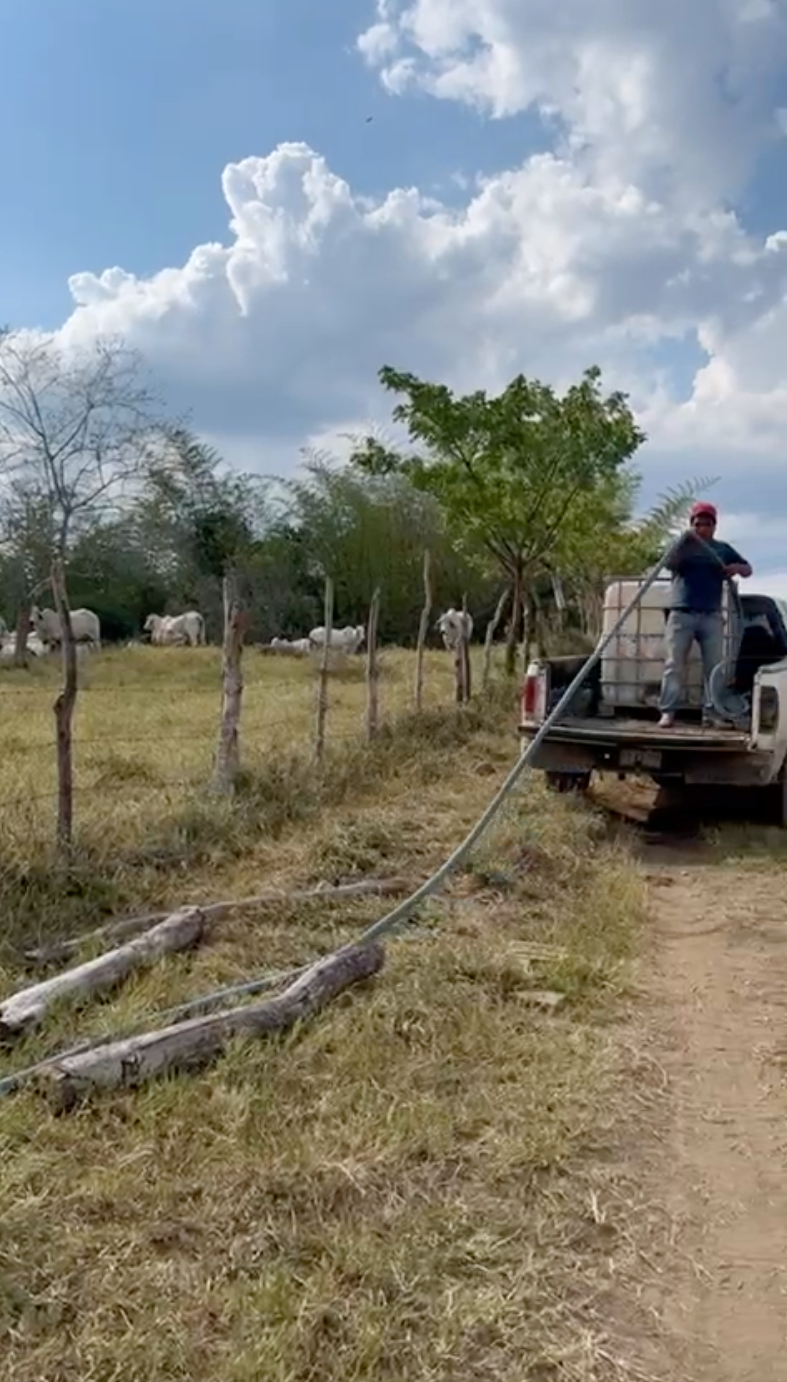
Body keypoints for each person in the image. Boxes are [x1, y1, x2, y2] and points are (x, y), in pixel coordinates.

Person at [657, 502, 752, 729]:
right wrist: (682, 545)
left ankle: (712, 714)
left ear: (714, 526)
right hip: (682, 613)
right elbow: (667, 563)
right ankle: (668, 712)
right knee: (674, 664)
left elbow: (748, 570)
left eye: (707, 523)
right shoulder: (682, 545)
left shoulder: (722, 549)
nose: (703, 527)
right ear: (692, 524)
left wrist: (735, 568)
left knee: (715, 667)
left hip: (711, 615)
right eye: (698, 523)